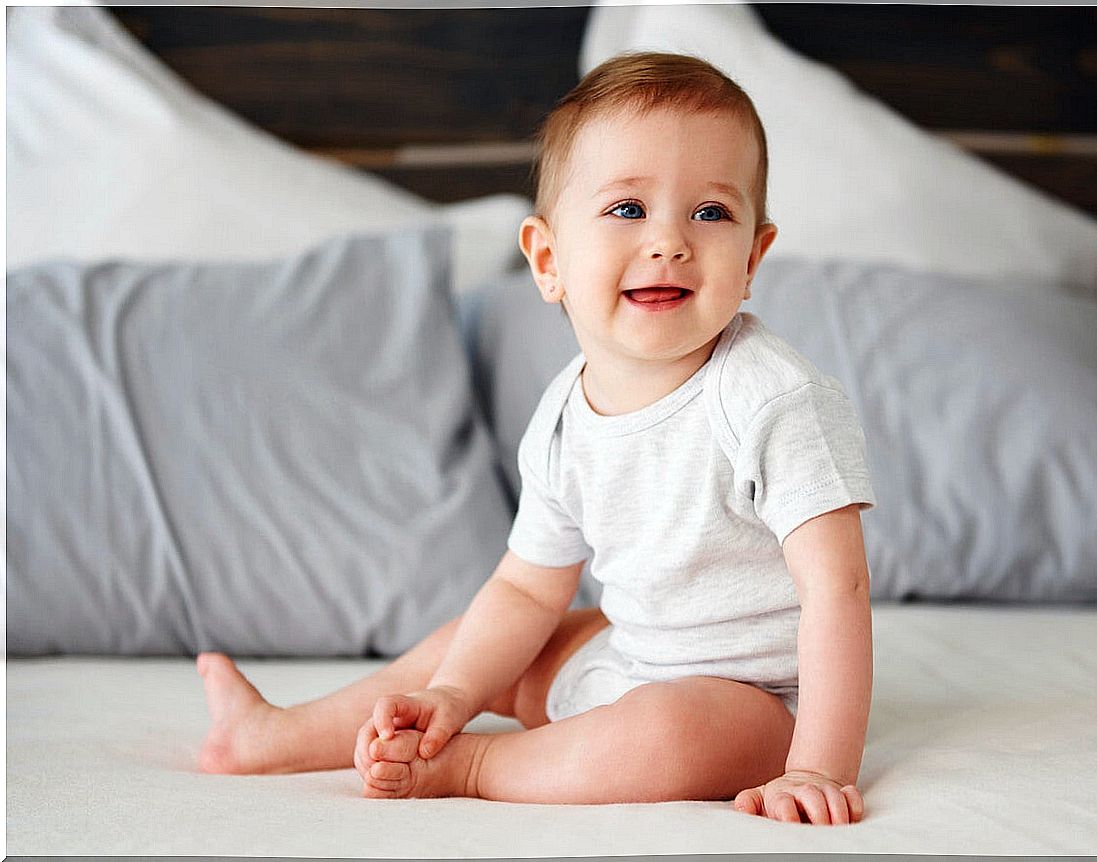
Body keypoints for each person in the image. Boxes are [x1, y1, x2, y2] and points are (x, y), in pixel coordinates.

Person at [196, 51, 876, 826]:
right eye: (628, 210)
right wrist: (454, 691)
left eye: (711, 213)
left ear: (753, 258)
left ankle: (475, 765)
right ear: (549, 260)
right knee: (479, 639)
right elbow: (527, 587)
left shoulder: (773, 398)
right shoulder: (563, 414)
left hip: (756, 700)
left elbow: (838, 591)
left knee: (665, 734)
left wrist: (818, 766)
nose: (670, 242)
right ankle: (278, 736)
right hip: (629, 654)